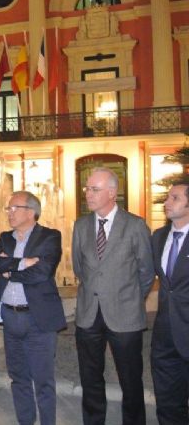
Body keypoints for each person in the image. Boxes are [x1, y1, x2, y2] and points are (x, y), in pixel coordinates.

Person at [72, 167, 154, 425]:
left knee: (130, 379)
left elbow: (146, 272)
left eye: (94, 189)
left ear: (112, 193)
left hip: (125, 315)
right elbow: (79, 268)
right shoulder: (81, 225)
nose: (88, 193)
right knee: (90, 377)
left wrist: (128, 300)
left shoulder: (135, 225)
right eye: (87, 188)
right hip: (88, 315)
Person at [0, 191, 66, 425]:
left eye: (14, 208)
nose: (9, 213)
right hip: (10, 317)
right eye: (8, 209)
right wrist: (22, 263)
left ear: (31, 212)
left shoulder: (50, 236)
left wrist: (9, 270)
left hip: (38, 319)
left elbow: (43, 272)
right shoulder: (5, 237)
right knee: (18, 377)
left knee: (43, 380)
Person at [151, 182, 189, 424]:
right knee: (167, 404)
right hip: (165, 337)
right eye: (168, 197)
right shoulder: (159, 236)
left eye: (174, 198)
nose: (167, 202)